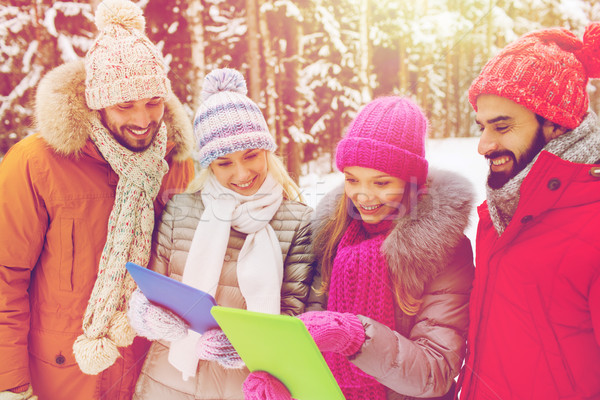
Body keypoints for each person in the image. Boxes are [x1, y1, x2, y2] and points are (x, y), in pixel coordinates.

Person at [0, 0, 196, 398]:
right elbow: (5, 276)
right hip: (61, 375)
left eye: (153, 102)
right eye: (125, 105)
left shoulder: (174, 163)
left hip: (149, 374)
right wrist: (11, 384)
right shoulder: (37, 164)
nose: (143, 120)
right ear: (96, 101)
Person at [243, 96, 476, 400]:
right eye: (352, 179)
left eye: (381, 183)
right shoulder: (333, 236)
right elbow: (312, 337)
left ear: (410, 180)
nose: (363, 196)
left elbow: (435, 373)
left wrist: (356, 337)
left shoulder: (444, 250)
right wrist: (289, 384)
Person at [126, 68, 315, 400]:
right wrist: (145, 313)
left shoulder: (298, 222)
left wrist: (244, 344)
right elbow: (150, 285)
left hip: (246, 387)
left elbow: (299, 315)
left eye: (251, 156)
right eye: (224, 163)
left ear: (267, 152)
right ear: (209, 165)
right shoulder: (181, 210)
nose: (242, 174)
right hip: (169, 383)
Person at [457, 23, 600, 399]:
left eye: (502, 127)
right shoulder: (500, 211)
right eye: (482, 127)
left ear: (556, 124)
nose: (484, 144)